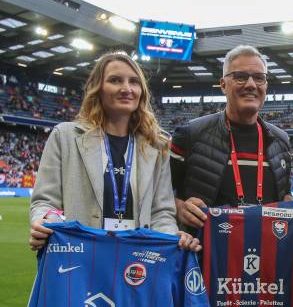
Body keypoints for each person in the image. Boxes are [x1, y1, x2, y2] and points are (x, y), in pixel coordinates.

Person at [170, 44, 293, 307]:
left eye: (258, 78)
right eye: (240, 76)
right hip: (208, 270)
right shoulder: (190, 135)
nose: (250, 84)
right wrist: (175, 206)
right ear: (222, 83)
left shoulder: (279, 140)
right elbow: (157, 196)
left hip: (268, 274)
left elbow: (283, 202)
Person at [28, 51, 196, 249]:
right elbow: (45, 202)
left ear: (141, 91)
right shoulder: (65, 136)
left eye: (134, 82)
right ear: (97, 88)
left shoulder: (156, 145)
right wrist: (46, 220)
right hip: (80, 257)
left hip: (138, 263)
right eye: (115, 80)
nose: (126, 88)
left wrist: (172, 236)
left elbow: (161, 212)